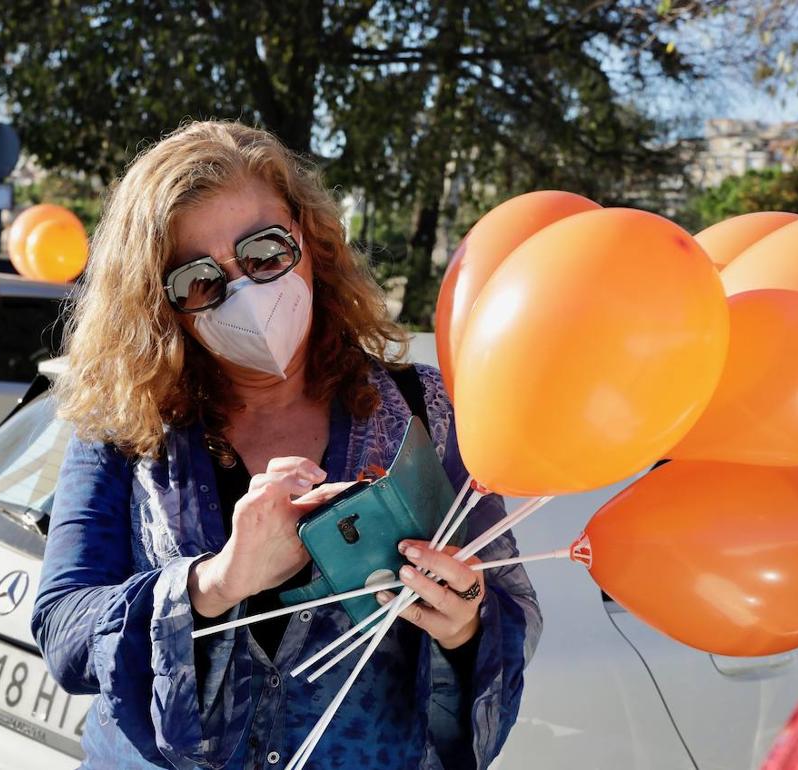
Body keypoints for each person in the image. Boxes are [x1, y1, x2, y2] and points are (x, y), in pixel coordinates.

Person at [31, 120, 541, 770]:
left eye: (265, 250)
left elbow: (505, 604)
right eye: (198, 280)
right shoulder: (123, 419)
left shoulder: (424, 410)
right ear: (160, 303)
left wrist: (464, 622)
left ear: (309, 238)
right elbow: (64, 628)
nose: (244, 288)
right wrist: (216, 582)